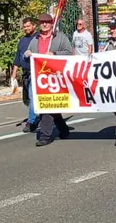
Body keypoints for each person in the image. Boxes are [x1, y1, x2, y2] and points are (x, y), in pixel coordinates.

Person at [26, 14, 75, 146]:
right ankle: (63, 130)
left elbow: (69, 53)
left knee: (47, 105)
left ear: (52, 24)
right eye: (42, 23)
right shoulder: (35, 39)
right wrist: (27, 54)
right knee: (49, 104)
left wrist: (54, 54)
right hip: (40, 78)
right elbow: (28, 53)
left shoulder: (60, 37)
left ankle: (45, 135)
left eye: (47, 22)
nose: (45, 25)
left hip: (56, 77)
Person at [13, 17, 39, 133]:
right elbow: (18, 57)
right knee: (28, 98)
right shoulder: (22, 40)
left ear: (34, 26)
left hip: (36, 72)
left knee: (32, 96)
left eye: (28, 26)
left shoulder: (38, 38)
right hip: (26, 73)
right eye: (24, 27)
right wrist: (14, 73)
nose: (26, 28)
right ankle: (40, 116)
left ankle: (32, 121)